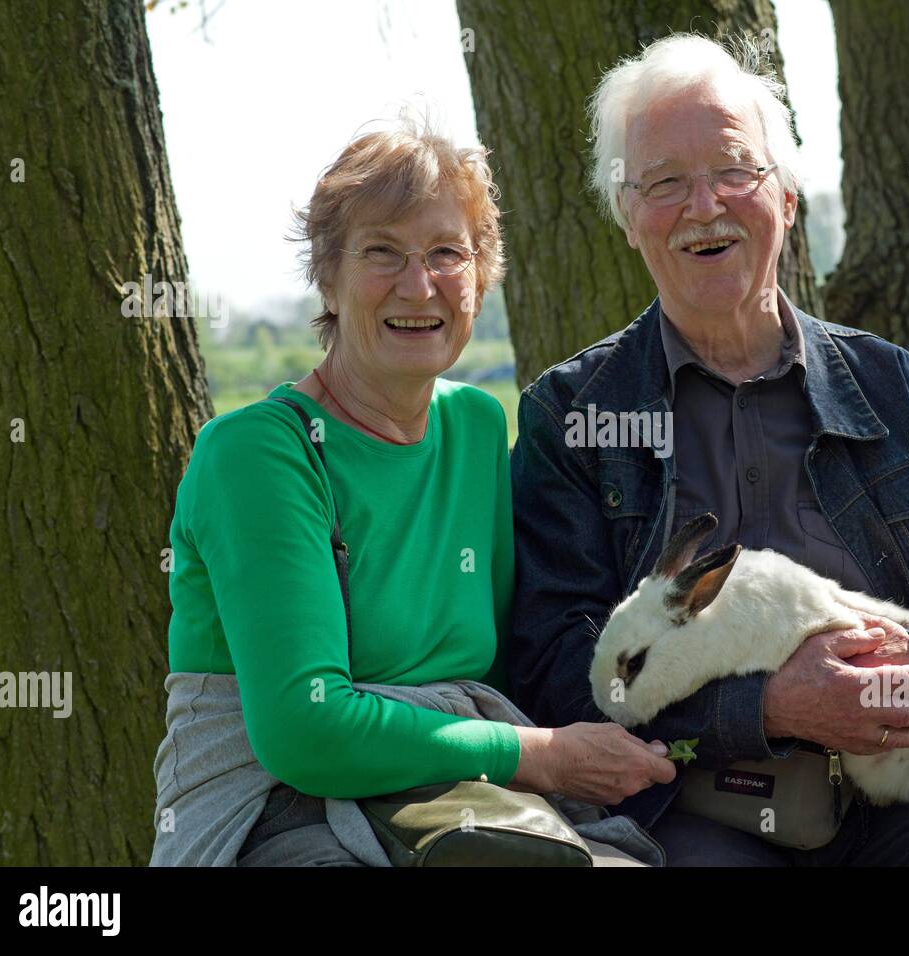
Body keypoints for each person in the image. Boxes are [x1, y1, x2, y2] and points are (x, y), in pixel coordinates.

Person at [508, 34, 909, 866]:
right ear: (629, 219)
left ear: (786, 198)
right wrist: (765, 707)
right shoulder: (575, 414)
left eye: (735, 169)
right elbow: (554, 668)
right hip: (691, 806)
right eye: (665, 183)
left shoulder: (893, 389)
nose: (704, 205)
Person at [149, 116, 673, 867]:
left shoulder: (475, 428)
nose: (418, 284)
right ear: (327, 275)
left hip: (458, 799)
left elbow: (493, 668)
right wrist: (546, 757)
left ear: (481, 275)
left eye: (446, 254)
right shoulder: (259, 454)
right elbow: (307, 731)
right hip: (277, 812)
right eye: (383, 253)